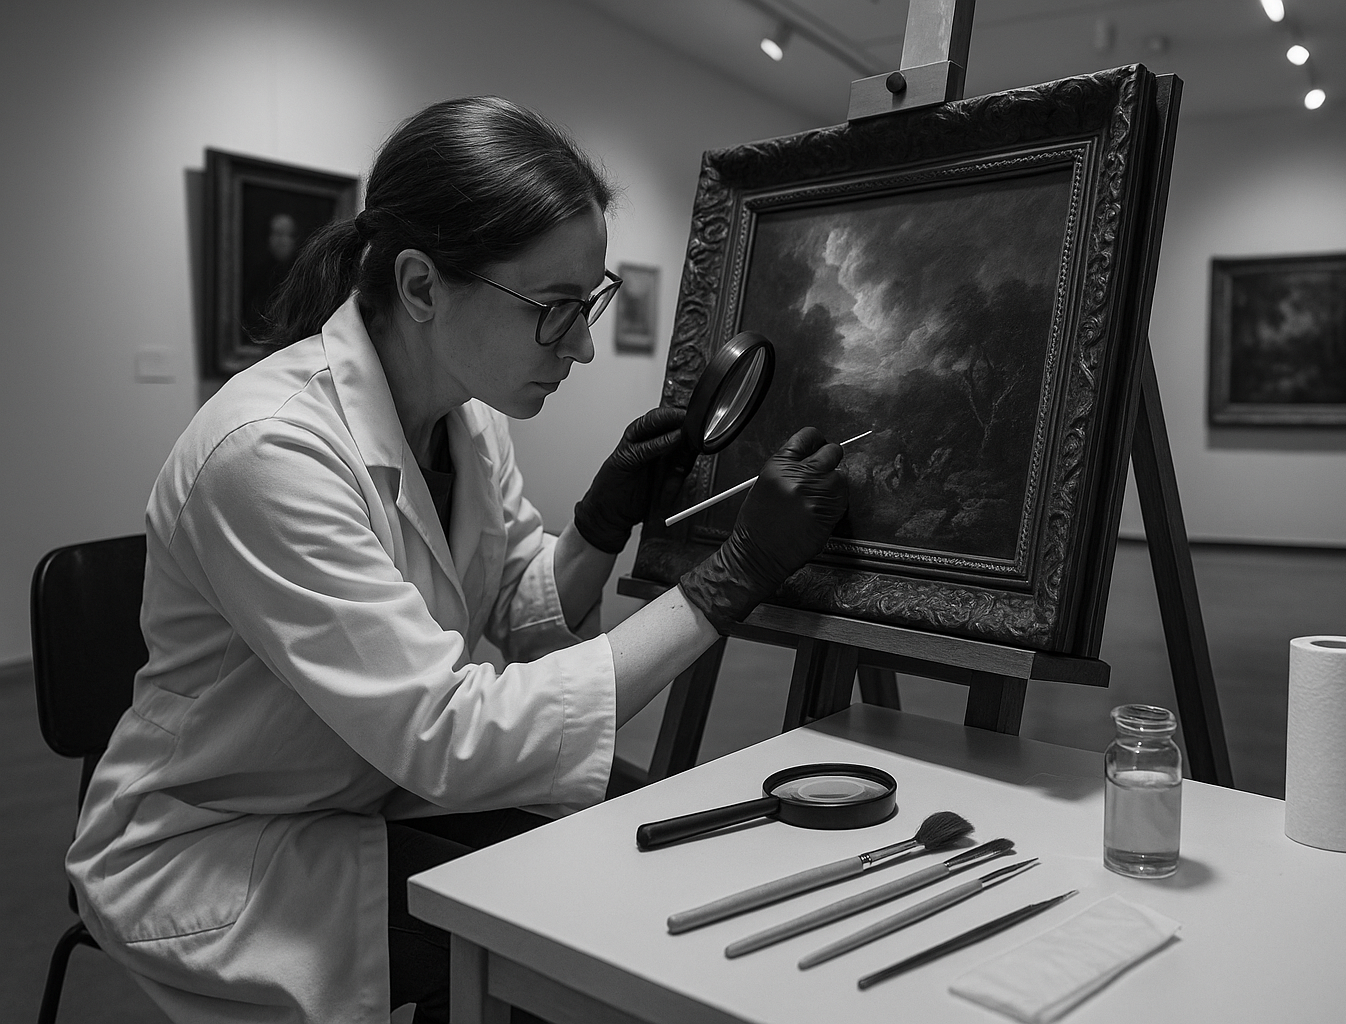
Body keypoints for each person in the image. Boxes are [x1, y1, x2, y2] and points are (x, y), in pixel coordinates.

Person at [66, 96, 848, 1024]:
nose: (586, 346)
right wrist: (725, 582)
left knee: (641, 826)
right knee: (546, 930)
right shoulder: (268, 451)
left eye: (590, 302)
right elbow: (450, 734)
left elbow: (518, 616)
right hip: (217, 841)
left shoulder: (463, 420)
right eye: (555, 310)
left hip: (363, 787)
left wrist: (602, 522)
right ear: (423, 286)